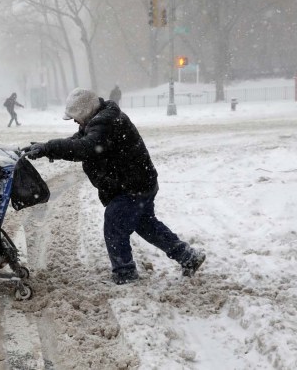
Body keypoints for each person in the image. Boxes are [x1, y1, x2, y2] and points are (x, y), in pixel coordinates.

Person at [22, 88, 205, 284]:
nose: (75, 121)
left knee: (115, 225)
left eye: (76, 116)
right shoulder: (100, 119)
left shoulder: (106, 122)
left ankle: (125, 273)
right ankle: (188, 257)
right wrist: (46, 147)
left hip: (131, 187)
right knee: (146, 225)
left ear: (86, 110)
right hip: (138, 183)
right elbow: (78, 142)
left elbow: (85, 147)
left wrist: (48, 148)